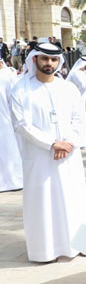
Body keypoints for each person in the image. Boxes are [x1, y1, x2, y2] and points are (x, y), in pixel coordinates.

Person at [9, 42, 86, 262]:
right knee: (43, 202)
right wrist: (52, 144)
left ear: (59, 61)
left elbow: (79, 119)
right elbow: (22, 125)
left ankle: (80, 243)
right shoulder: (20, 90)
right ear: (35, 59)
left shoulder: (68, 89)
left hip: (69, 156)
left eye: (54, 59)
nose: (49, 63)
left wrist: (69, 143)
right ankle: (46, 250)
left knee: (74, 199)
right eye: (45, 59)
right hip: (39, 157)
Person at [0, 60, 22, 192]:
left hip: (5, 122)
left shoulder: (7, 76)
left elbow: (14, 101)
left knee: (8, 150)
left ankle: (13, 181)